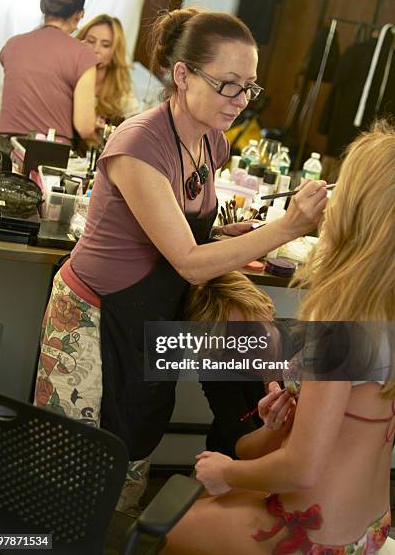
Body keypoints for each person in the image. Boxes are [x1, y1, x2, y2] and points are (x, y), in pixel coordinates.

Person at [34, 7, 327, 513]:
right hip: (94, 317)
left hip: (153, 311)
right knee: (79, 460)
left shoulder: (210, 141)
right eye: (227, 85)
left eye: (249, 87)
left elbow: (179, 230)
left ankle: (113, 540)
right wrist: (287, 228)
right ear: (183, 74)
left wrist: (219, 232)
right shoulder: (138, 143)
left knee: (135, 435)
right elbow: (190, 262)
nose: (240, 101)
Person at [162, 121, 395, 554]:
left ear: (360, 210)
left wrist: (227, 472)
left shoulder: (340, 323)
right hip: (370, 525)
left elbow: (302, 468)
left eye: (343, 186)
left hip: (317, 538)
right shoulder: (384, 307)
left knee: (170, 530)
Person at [0, 0, 97, 143]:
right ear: (80, 14)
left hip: (2, 150)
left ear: (43, 5)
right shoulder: (83, 54)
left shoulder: (12, 45)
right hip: (48, 154)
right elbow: (84, 126)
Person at [184, 271, 276, 457]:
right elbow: (243, 446)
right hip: (234, 459)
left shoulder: (305, 349)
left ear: (266, 311)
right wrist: (277, 425)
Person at [76, 14, 139, 128]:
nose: (95, 50)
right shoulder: (65, 82)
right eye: (90, 41)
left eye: (105, 45)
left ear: (115, 53)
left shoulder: (124, 99)